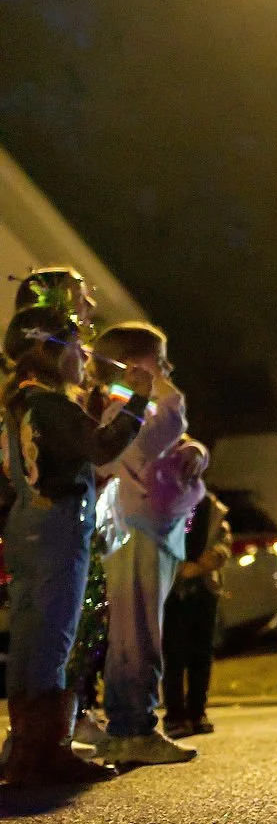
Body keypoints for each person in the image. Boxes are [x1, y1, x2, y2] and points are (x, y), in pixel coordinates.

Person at [1, 307, 152, 786]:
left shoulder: (23, 401)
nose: (83, 354)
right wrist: (137, 402)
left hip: (26, 525)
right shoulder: (49, 404)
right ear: (48, 350)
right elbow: (101, 449)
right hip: (58, 526)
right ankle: (44, 753)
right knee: (53, 638)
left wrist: (98, 399)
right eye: (75, 345)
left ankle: (26, 746)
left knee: (30, 638)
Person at [90, 323, 203, 765]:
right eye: (161, 358)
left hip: (146, 528)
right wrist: (166, 393)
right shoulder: (121, 407)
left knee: (136, 628)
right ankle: (134, 726)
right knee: (137, 631)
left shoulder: (135, 408)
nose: (168, 368)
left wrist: (198, 451)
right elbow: (155, 438)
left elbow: (172, 444)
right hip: (136, 530)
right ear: (135, 364)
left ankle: (128, 723)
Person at [161, 466, 228, 738]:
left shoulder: (208, 504)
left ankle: (197, 710)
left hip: (203, 588)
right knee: (173, 655)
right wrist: (181, 569)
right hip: (174, 590)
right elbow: (159, 544)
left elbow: (223, 537)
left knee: (201, 653)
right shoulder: (165, 504)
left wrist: (215, 556)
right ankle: (175, 714)